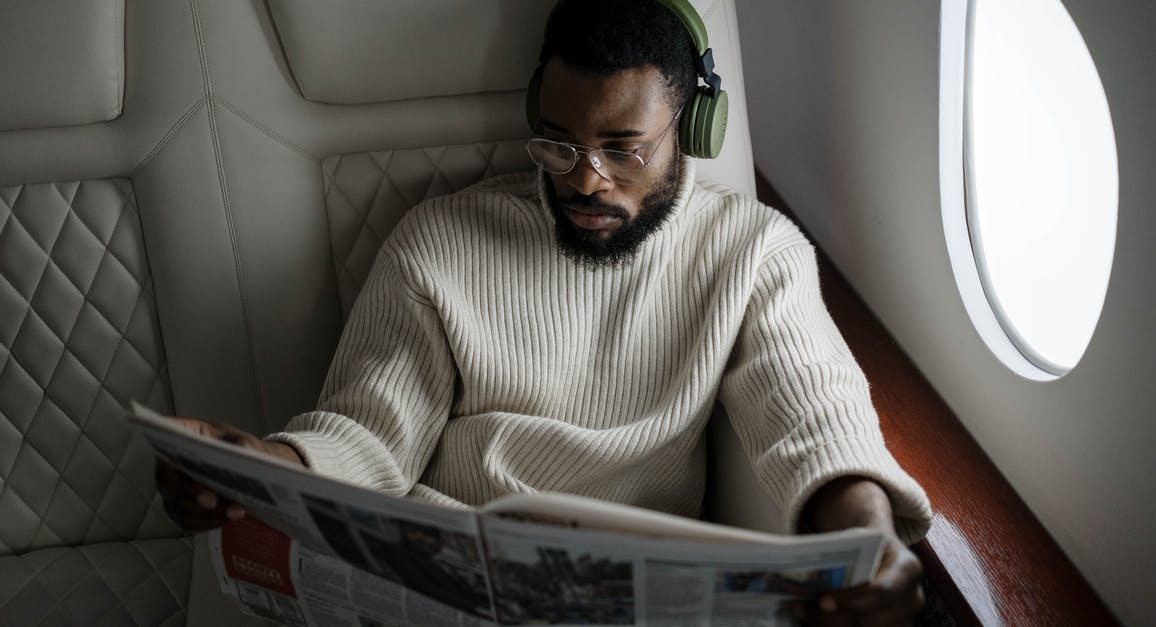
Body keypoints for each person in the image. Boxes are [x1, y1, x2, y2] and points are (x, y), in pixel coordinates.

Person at [156, 0, 932, 623]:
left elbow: (815, 419)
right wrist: (265, 468)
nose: (585, 180)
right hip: (452, 570)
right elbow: (369, 431)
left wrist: (870, 541)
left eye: (623, 148)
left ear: (692, 126)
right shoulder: (439, 241)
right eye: (559, 144)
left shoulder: (755, 252)